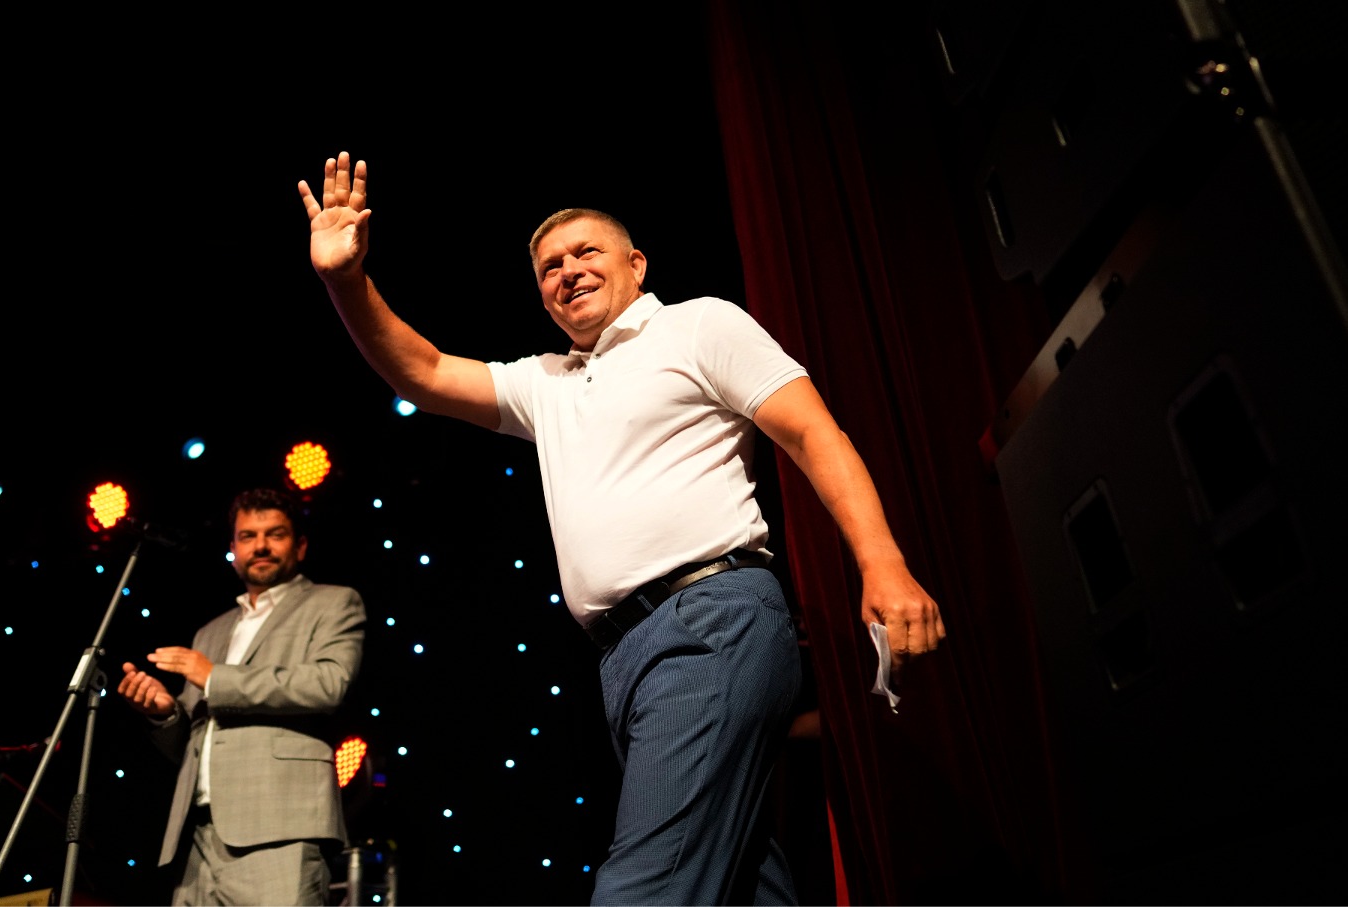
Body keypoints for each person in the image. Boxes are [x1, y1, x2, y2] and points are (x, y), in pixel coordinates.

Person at [297, 151, 946, 905]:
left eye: (586, 253)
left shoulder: (697, 326)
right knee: (736, 879)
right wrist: (346, 280)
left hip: (711, 621)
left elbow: (812, 435)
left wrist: (883, 562)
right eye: (549, 267)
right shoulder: (546, 382)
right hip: (624, 658)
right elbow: (426, 371)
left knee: (643, 888)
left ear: (636, 264)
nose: (567, 271)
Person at [116, 487, 367, 906]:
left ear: (300, 546)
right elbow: (191, 744)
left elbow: (329, 682)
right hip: (197, 835)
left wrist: (215, 678)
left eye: (276, 534)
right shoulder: (210, 631)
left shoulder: (333, 602)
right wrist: (165, 715)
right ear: (233, 549)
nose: (261, 546)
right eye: (248, 536)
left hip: (281, 826)